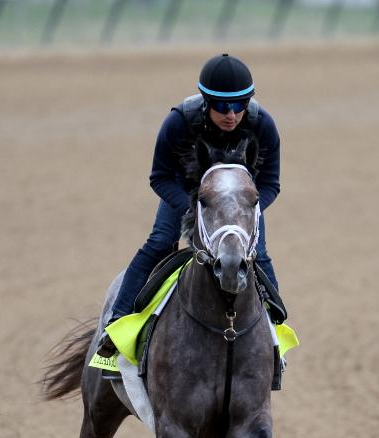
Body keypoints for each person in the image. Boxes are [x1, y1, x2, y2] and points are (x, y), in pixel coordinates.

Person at [97, 53, 281, 358]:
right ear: (206, 102)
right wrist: (194, 207)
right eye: (222, 106)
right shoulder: (179, 122)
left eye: (239, 105)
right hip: (187, 192)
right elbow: (159, 177)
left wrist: (243, 210)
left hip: (240, 203)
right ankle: (116, 322)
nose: (231, 115)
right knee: (159, 242)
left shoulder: (263, 125)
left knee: (257, 253)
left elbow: (271, 184)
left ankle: (275, 330)